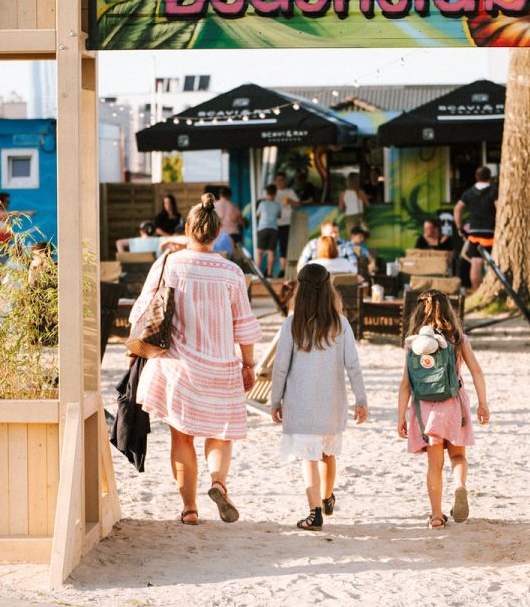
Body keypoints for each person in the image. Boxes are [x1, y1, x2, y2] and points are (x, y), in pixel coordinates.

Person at [130, 193, 262, 526]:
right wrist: (248, 365)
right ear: (218, 233)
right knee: (220, 432)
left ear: (187, 228)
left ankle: (189, 509)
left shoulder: (168, 264)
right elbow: (244, 326)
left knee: (182, 437)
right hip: (220, 366)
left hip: (178, 367)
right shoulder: (232, 273)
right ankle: (218, 483)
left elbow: (141, 311)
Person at [271, 263, 368, 530]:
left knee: (309, 459)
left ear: (300, 291)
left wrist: (275, 401)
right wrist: (361, 400)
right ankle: (327, 497)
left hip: (301, 406)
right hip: (332, 405)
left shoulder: (292, 324)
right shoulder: (341, 324)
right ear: (329, 290)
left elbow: (280, 367)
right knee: (328, 454)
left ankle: (314, 513)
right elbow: (353, 365)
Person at [397, 289, 489, 528]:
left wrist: (401, 417)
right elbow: (476, 371)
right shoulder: (458, 339)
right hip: (454, 406)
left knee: (434, 466)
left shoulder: (413, 344)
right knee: (458, 456)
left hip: (425, 411)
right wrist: (483, 403)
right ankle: (459, 485)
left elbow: (406, 384)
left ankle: (436, 516)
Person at [453, 167, 498, 291]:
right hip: (490, 232)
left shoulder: (469, 192)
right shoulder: (494, 191)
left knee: (476, 262)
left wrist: (459, 227)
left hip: (474, 232)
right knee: (492, 263)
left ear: (476, 177)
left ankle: (475, 291)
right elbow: (499, 207)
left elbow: (457, 209)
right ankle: (492, 290)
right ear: (490, 177)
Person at [274, 171, 300, 276]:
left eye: (282, 180)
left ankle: (283, 270)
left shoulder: (289, 192)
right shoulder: (272, 192)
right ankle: (272, 271)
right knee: (272, 249)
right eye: (278, 180)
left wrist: (290, 201)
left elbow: (298, 204)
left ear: (285, 181)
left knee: (284, 246)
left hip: (286, 223)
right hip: (273, 224)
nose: (280, 182)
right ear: (275, 181)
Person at [255, 183, 282, 277]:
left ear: (266, 193)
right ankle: (269, 274)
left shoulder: (262, 203)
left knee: (259, 252)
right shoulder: (278, 205)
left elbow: (257, 215)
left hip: (263, 228)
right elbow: (279, 216)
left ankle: (258, 274)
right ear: (275, 193)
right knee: (271, 252)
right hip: (273, 229)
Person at [339, 172, 368, 237]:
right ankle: (361, 247)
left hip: (349, 218)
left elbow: (341, 208)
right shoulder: (361, 192)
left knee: (352, 238)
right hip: (359, 217)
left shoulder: (343, 193)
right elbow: (368, 205)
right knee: (360, 238)